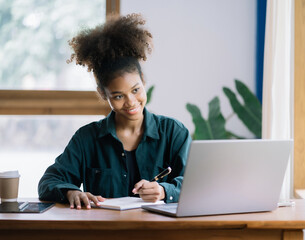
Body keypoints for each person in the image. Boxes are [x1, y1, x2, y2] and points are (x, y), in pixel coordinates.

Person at [38, 13, 191, 210]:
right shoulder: (87, 138)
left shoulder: (174, 132)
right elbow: (48, 182)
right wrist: (72, 192)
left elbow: (195, 185)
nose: (131, 102)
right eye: (118, 96)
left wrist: (164, 190)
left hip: (159, 232)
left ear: (143, 80)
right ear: (103, 94)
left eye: (136, 90)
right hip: (104, 231)